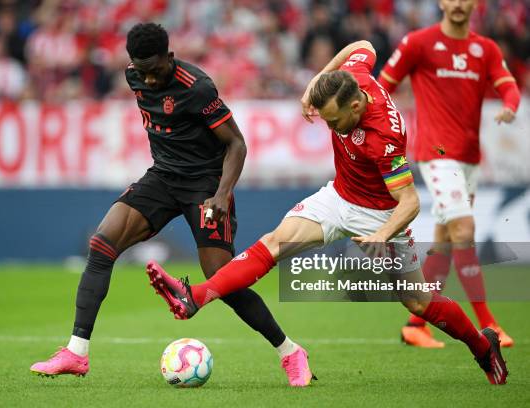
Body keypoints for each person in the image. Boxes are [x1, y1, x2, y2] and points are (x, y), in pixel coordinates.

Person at [147, 40, 509, 385]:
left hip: (381, 216)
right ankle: (196, 296)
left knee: (418, 301)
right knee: (275, 242)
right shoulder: (354, 78)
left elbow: (410, 202)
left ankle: (482, 345)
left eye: (334, 122)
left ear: (356, 107)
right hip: (338, 198)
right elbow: (363, 47)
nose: (331, 128)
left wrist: (382, 235)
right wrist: (314, 86)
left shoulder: (385, 136)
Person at [30, 23, 313, 387]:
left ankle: (290, 351)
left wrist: (223, 194)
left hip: (206, 186)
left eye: (155, 70)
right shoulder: (134, 75)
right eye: (141, 70)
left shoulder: (198, 88)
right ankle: (75, 352)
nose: (148, 80)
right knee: (101, 245)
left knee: (220, 278)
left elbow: (237, 145)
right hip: (163, 178)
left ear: (170, 57)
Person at [378, 0, 520, 348]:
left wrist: (510, 107)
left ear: (476, 4)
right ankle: (490, 324)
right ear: (441, 3)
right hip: (436, 154)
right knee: (464, 229)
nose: (457, 4)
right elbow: (381, 87)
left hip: (469, 158)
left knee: (443, 240)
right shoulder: (418, 43)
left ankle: (415, 326)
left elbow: (509, 86)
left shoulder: (484, 48)